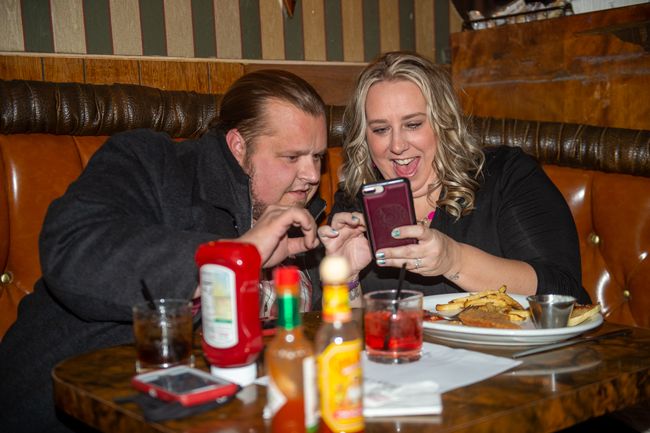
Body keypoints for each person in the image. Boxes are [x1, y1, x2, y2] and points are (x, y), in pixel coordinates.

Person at [0, 70, 327, 432]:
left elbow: (290, 346)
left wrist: (340, 274)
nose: (312, 174)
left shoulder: (305, 216)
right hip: (68, 411)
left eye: (318, 157)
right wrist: (233, 255)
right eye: (292, 157)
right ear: (238, 145)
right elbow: (72, 247)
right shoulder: (152, 161)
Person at [318, 51, 591, 307]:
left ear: (443, 122)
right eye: (380, 129)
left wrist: (453, 260)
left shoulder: (506, 175)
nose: (397, 145)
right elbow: (352, 337)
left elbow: (563, 291)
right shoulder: (356, 202)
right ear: (364, 138)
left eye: (413, 124)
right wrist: (346, 280)